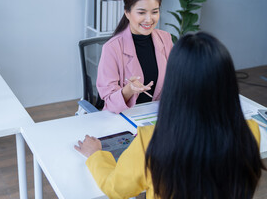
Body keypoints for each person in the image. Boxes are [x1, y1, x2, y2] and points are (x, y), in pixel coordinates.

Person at [75, 32, 266, 199]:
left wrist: (96, 155)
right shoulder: (251, 131)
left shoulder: (151, 141)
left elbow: (116, 189)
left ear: (175, 83)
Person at [97, 0, 173, 114]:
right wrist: (129, 90)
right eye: (141, 12)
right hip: (121, 118)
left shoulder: (165, 39)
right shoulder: (112, 48)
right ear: (127, 12)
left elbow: (175, 82)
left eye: (154, 12)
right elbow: (109, 102)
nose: (149, 19)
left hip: (156, 117)